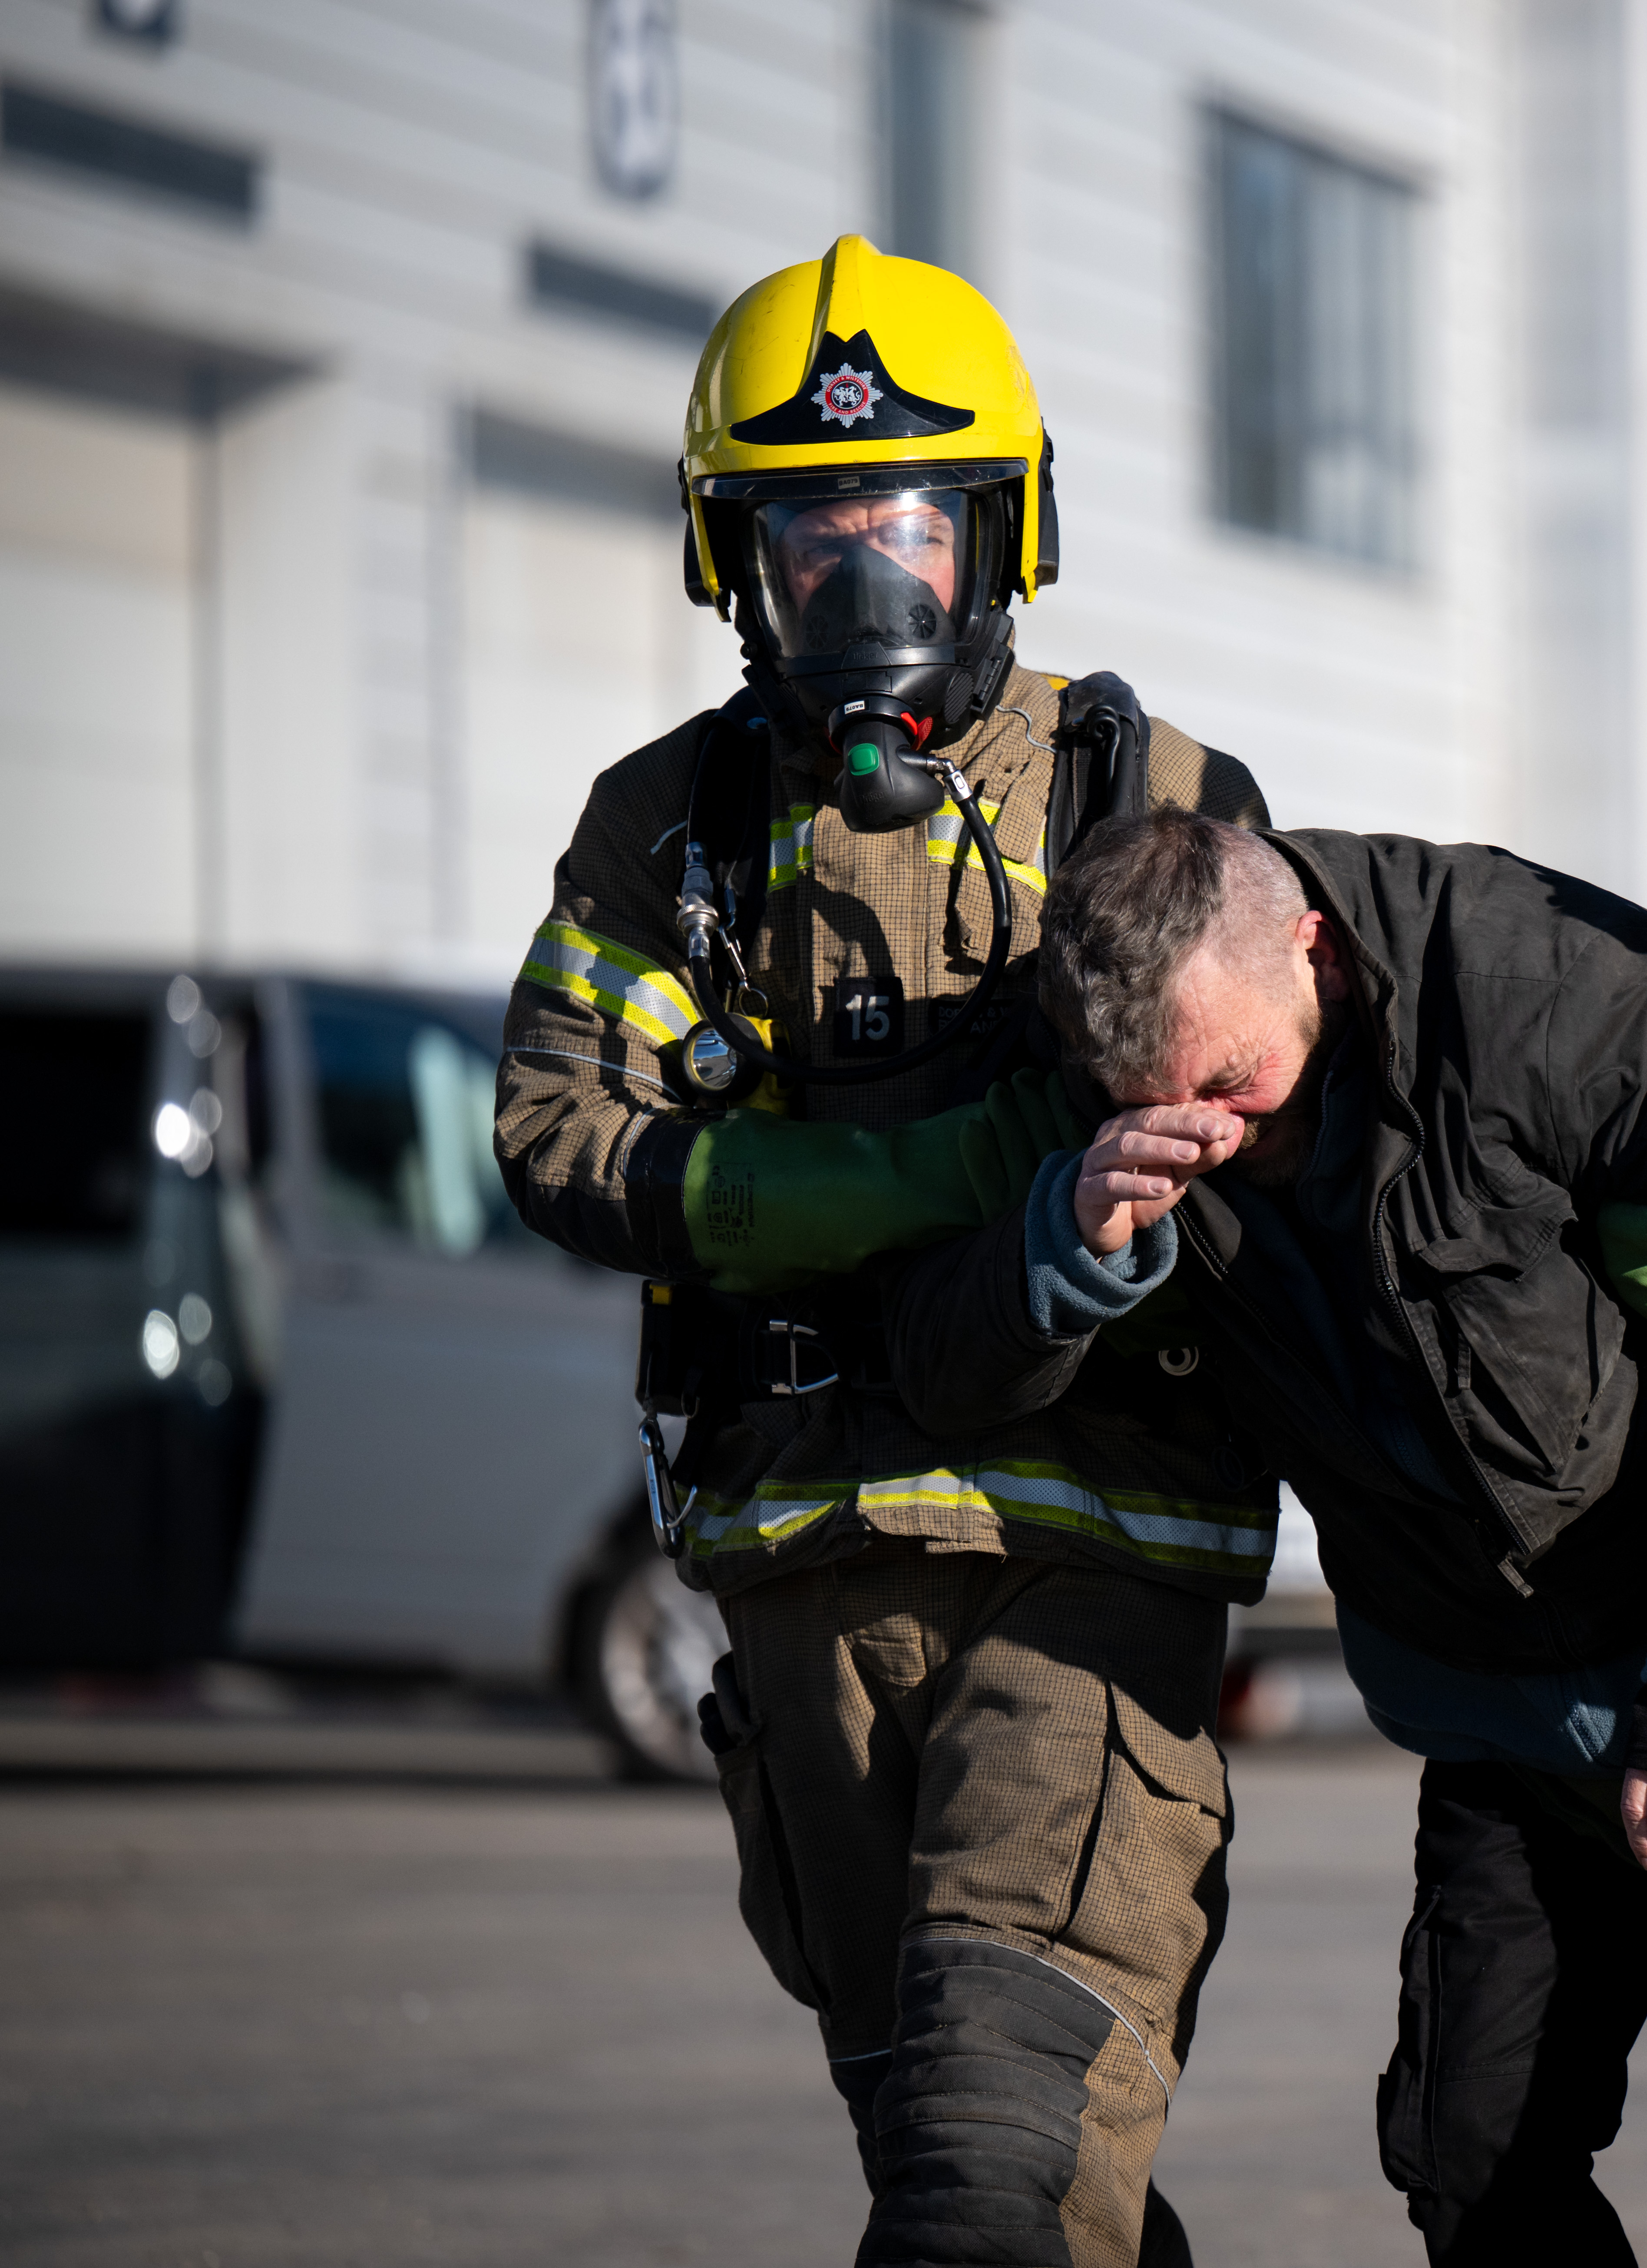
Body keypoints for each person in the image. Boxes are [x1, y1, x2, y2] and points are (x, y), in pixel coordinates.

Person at [494, 235, 1280, 2265]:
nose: (860, 595)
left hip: (1093, 1548)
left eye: (906, 537)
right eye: (806, 543)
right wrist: (931, 1176)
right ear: (724, 560)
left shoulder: (1157, 801)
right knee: (965, 2145)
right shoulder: (667, 827)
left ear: (1003, 535)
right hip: (799, 1559)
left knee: (982, 2155)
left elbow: (1271, 1124)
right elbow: (557, 1129)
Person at [880, 809, 1647, 2265]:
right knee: (1472, 2161)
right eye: (1160, 1105)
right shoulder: (1086, 1080)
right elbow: (939, 1369)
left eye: (1238, 1084)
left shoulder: (1542, 981)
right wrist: (1065, 1246)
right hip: (1496, 1702)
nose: (1217, 1135)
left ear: (1310, 948)